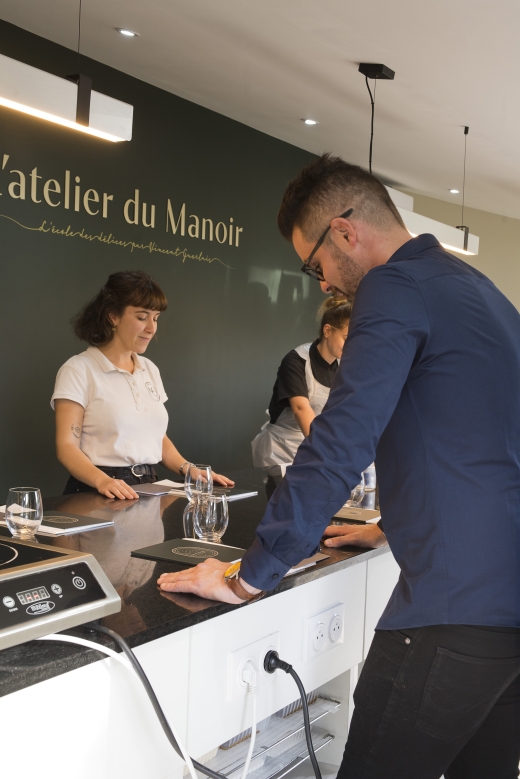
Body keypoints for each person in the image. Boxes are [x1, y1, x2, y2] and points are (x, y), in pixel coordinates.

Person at [158, 154, 520, 779]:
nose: (322, 283)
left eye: (314, 264)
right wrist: (390, 524)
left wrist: (251, 574)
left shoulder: (394, 286)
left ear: (345, 231)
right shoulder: (480, 290)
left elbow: (343, 436)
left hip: (454, 605)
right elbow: (483, 439)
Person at [51, 270, 233, 499]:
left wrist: (190, 470)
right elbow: (67, 447)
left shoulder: (149, 368)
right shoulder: (78, 369)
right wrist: (103, 481)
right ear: (113, 317)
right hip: (97, 490)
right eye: (141, 317)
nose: (151, 328)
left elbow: (157, 437)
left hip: (148, 487)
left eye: (155, 318)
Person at [251, 297, 351, 467]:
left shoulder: (343, 366)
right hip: (281, 449)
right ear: (327, 331)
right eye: (346, 337)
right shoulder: (296, 361)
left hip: (315, 444)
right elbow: (300, 408)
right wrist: (324, 452)